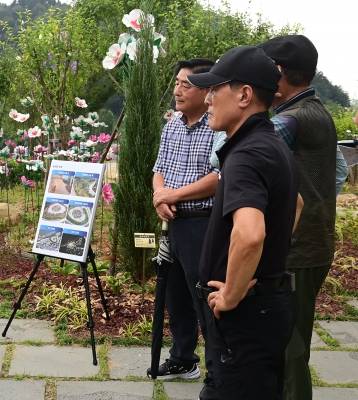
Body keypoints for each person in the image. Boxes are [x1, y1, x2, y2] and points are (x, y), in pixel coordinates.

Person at [188, 46, 301, 399]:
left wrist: (231, 295)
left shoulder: (246, 155)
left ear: (244, 95)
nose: (206, 99)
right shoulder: (271, 144)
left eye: (214, 89)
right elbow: (297, 206)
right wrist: (262, 264)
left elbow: (250, 235)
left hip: (245, 316)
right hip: (268, 306)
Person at [257, 35, 342, 400]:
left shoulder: (290, 121)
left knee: (287, 350)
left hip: (294, 251)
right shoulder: (315, 111)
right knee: (289, 345)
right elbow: (338, 174)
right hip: (310, 245)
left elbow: (225, 158)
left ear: (276, 72)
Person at [151, 58, 219, 400]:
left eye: (185, 85)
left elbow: (219, 179)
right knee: (175, 296)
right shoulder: (172, 125)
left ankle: (217, 372)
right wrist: (158, 197)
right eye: (177, 83)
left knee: (204, 299)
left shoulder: (218, 126)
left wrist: (172, 195)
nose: (177, 90)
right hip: (173, 224)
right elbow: (159, 167)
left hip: (202, 224)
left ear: (207, 89)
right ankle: (183, 360)